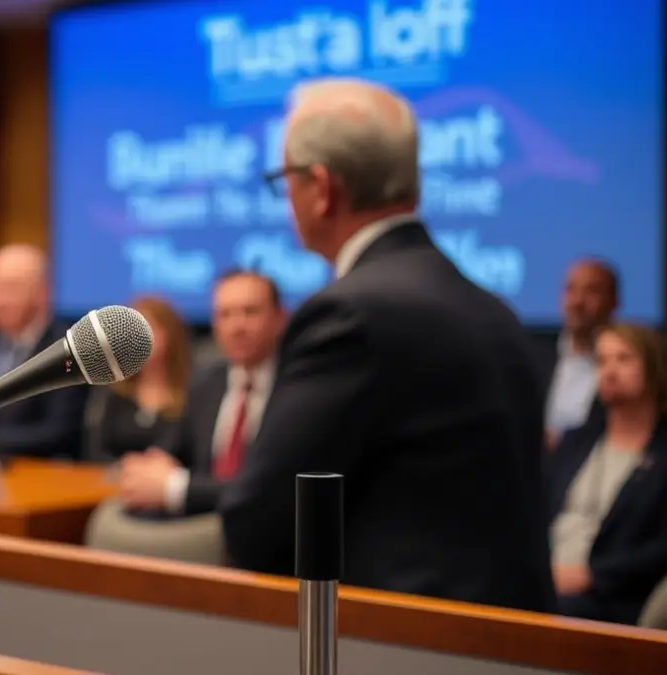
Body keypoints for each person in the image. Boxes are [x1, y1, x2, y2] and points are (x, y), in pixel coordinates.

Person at [220, 77, 554, 612]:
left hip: (402, 643)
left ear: (322, 189)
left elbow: (258, 522)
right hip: (504, 641)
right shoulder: (494, 309)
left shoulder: (349, 315)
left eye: (285, 180)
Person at [117, 272, 284, 515]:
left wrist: (177, 487)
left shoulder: (296, 387)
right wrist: (149, 468)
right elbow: (171, 449)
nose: (237, 326)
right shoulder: (206, 382)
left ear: (279, 318)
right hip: (203, 520)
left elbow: (271, 486)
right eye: (225, 314)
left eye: (250, 312)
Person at [547, 323, 667, 625]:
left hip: (611, 596)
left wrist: (592, 576)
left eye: (624, 359)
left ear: (654, 368)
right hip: (548, 578)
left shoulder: (662, 454)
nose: (610, 370)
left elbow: (660, 550)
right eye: (602, 361)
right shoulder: (576, 442)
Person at [0, 244, 88, 459]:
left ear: (41, 291)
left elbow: (60, 432)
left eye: (9, 289)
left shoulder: (68, 347)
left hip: (34, 473)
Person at [94, 296, 191, 460]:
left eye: (148, 327)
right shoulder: (114, 391)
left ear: (170, 334)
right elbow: (95, 450)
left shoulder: (194, 393)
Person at [541, 259, 619, 447]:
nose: (577, 301)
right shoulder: (536, 356)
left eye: (591, 291)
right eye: (570, 289)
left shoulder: (624, 365)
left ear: (613, 301)